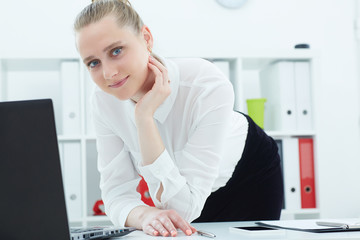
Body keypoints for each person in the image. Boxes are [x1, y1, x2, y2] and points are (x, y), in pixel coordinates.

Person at [74, 0, 284, 237]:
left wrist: (144, 118)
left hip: (248, 176)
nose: (108, 73)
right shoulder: (103, 100)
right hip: (182, 196)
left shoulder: (204, 83)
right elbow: (116, 194)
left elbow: (183, 210)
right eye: (93, 63)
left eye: (116, 51)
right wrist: (145, 215)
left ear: (146, 38)